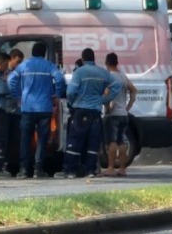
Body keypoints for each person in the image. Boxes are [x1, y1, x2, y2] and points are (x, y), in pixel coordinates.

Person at [56, 48, 121, 179]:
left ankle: (70, 170)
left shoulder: (79, 72)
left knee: (75, 141)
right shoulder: (103, 72)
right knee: (93, 141)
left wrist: (73, 102)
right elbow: (117, 84)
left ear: (83, 58)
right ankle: (90, 170)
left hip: (80, 110)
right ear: (94, 58)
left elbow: (70, 92)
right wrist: (104, 99)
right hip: (96, 111)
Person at [8, 42, 66, 179]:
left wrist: (18, 95)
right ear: (44, 53)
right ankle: (38, 170)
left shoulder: (24, 66)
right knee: (42, 139)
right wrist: (57, 95)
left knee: (25, 139)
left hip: (27, 108)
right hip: (45, 108)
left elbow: (11, 80)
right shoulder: (49, 66)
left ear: (32, 53)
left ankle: (23, 170)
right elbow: (59, 78)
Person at [102, 52, 138, 177]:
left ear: (106, 63)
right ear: (117, 62)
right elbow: (134, 90)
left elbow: (106, 94)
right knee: (121, 141)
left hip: (112, 115)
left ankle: (111, 167)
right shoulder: (122, 75)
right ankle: (122, 168)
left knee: (111, 142)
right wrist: (128, 106)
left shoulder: (108, 77)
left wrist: (107, 109)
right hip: (123, 113)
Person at [4, 49, 25, 175]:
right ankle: (7, 164)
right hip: (8, 110)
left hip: (17, 110)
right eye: (17, 61)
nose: (19, 64)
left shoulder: (20, 73)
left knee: (16, 138)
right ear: (11, 59)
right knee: (7, 138)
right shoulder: (5, 72)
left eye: (21, 62)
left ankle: (14, 164)